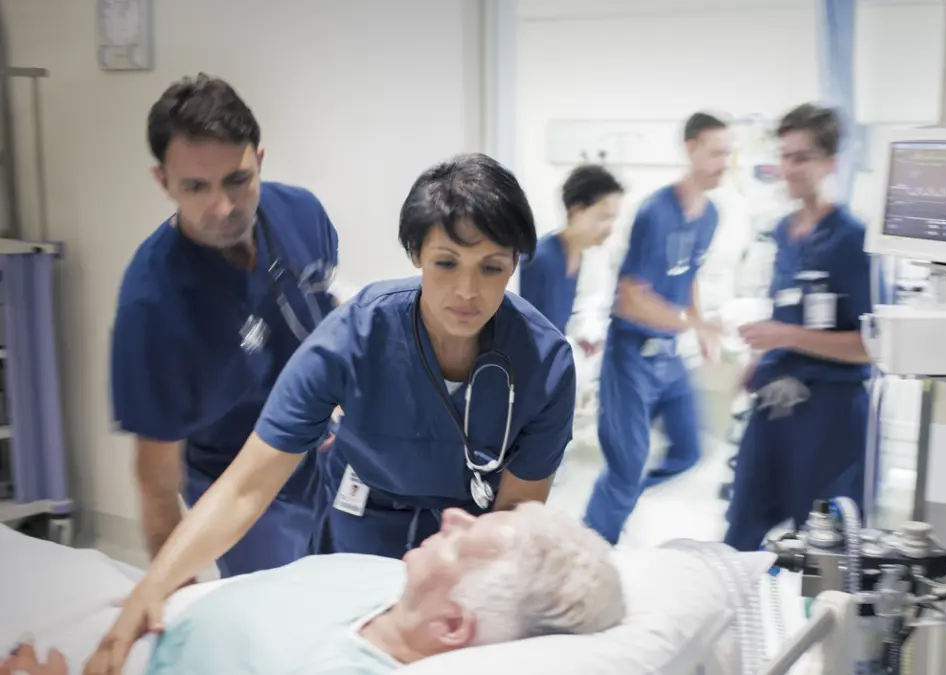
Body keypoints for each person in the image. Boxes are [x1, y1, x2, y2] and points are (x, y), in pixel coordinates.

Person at [85, 153, 577, 674]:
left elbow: (513, 517)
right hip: (359, 524)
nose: (467, 291)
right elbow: (247, 486)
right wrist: (153, 586)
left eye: (492, 267)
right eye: (446, 262)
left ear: (515, 264)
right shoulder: (356, 336)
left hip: (464, 547)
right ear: (416, 253)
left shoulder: (545, 364)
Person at [110, 74, 342, 578]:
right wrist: (173, 596)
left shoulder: (301, 213)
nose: (222, 207)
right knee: (277, 610)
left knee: (359, 588)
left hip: (327, 449)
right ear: (163, 182)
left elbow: (329, 310)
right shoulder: (152, 305)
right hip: (239, 480)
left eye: (237, 180)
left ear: (259, 159)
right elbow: (156, 484)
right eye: (196, 187)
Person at [83, 503, 624, 675]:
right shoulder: (388, 579)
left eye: (464, 538)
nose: (453, 514)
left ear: (452, 624)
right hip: (138, 606)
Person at [723, 104, 872, 552]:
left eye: (802, 158)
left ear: (830, 163)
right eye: (785, 156)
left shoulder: (852, 239)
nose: (790, 168)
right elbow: (787, 309)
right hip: (776, 405)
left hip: (830, 415)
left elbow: (868, 346)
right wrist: (758, 359)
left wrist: (784, 337)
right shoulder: (783, 233)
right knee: (740, 534)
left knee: (825, 551)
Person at [583, 112, 730, 545]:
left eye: (728, 154)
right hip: (630, 354)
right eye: (715, 153)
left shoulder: (710, 215)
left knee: (690, 449)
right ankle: (594, 545)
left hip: (668, 353)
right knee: (626, 466)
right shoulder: (655, 212)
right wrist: (693, 323)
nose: (724, 163)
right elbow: (629, 298)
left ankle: (624, 498)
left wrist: (699, 326)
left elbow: (689, 273)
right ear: (690, 149)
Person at [519, 163, 624, 352]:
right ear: (576, 211)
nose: (609, 229)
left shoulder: (576, 257)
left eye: (612, 219)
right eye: (603, 217)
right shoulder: (540, 261)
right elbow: (518, 330)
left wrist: (576, 339)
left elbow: (550, 323)